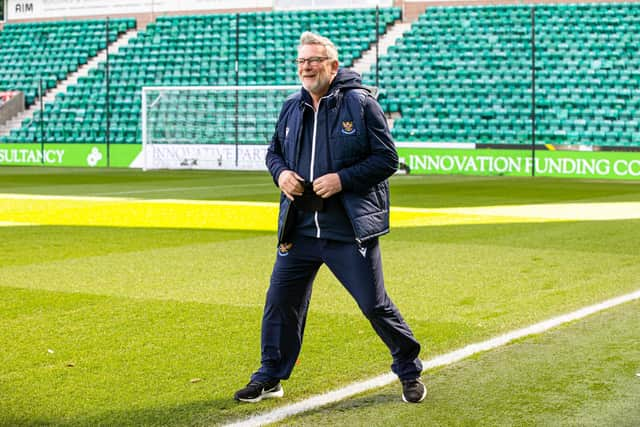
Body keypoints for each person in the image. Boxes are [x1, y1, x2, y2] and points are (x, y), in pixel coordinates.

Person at [234, 32, 425, 404]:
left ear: (333, 66)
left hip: (348, 230)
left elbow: (387, 159)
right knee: (279, 302)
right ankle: (270, 375)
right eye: (302, 61)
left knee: (374, 304)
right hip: (300, 229)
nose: (306, 67)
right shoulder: (292, 106)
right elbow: (273, 152)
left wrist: (342, 180)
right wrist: (280, 174)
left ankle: (409, 368)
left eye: (314, 61)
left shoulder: (360, 104)